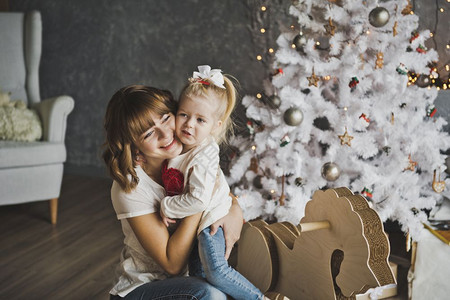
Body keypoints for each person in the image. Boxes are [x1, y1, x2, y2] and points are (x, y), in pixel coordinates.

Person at [102, 85, 244, 300]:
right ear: (133, 145)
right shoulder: (130, 187)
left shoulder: (191, 154)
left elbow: (221, 192)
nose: (166, 134)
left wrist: (235, 210)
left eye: (167, 118)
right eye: (149, 133)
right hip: (142, 288)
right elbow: (172, 264)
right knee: (209, 294)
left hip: (188, 279)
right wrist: (198, 201)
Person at [159, 65, 265, 300]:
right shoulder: (180, 147)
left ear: (215, 126)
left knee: (216, 273)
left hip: (211, 221)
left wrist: (166, 206)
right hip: (195, 224)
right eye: (184, 115)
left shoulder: (205, 152)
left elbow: (198, 200)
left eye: (200, 119)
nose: (189, 124)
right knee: (200, 278)